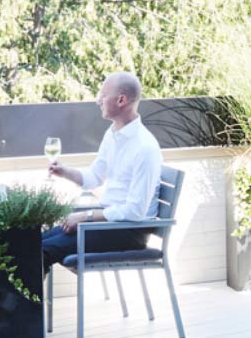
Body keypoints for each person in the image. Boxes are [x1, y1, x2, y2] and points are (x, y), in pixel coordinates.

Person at [44, 72, 164, 270]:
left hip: (128, 232)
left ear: (121, 100)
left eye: (103, 95)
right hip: (107, 223)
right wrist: (64, 171)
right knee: (31, 243)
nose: (98, 101)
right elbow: (94, 178)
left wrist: (85, 216)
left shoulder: (145, 148)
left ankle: (21, 301)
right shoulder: (113, 134)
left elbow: (135, 211)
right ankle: (18, 301)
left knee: (43, 249)